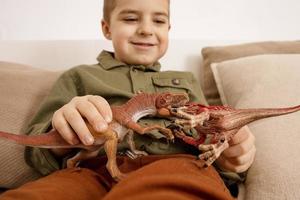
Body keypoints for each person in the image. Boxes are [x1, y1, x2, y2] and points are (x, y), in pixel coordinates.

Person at [0, 0, 256, 199]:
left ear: (168, 29)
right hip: (89, 170)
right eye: (131, 18)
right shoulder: (79, 76)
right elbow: (36, 150)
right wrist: (66, 130)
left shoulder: (186, 81)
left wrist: (229, 156)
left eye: (158, 20)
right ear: (107, 28)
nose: (146, 29)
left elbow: (208, 139)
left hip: (175, 166)